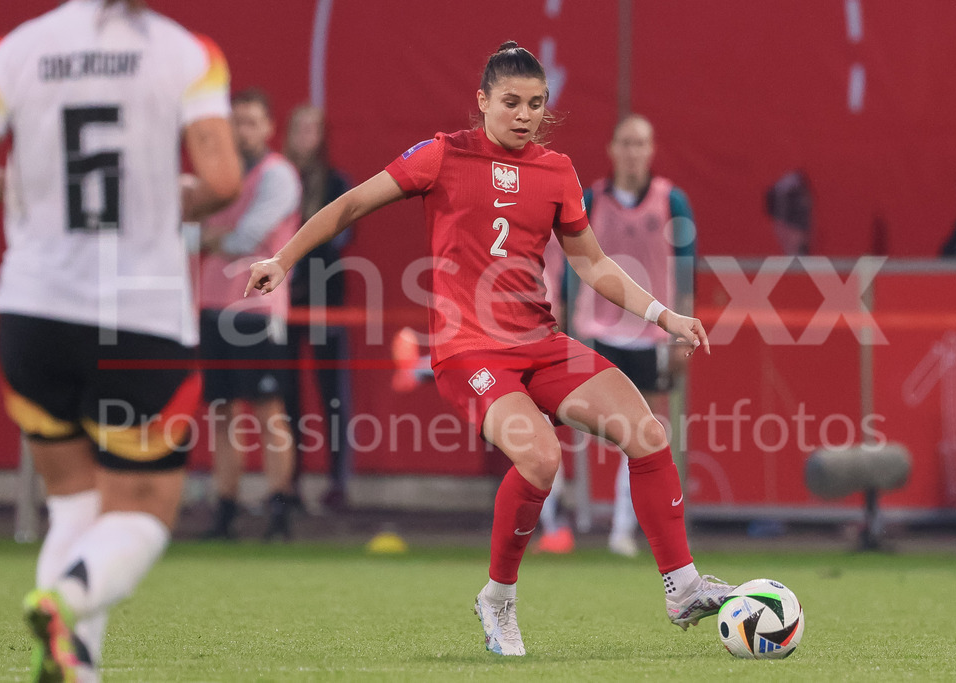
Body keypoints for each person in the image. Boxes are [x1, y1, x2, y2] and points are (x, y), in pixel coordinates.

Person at [245, 42, 732, 657]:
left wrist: (664, 315)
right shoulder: (442, 154)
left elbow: (594, 264)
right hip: (469, 350)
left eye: (535, 104)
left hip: (542, 343)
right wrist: (283, 258)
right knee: (540, 459)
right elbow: (350, 204)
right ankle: (498, 598)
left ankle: (683, 587)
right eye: (510, 102)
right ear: (482, 102)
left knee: (648, 434)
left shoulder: (557, 170)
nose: (524, 114)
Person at [0, 0, 242, 679]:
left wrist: (17, 187)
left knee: (75, 503)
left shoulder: (14, 51)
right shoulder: (186, 52)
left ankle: (75, 666)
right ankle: (66, 600)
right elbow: (221, 179)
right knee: (147, 509)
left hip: (31, 312)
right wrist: (168, 199)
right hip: (139, 318)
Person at [536, 114, 698, 558]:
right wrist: (562, 316)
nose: (633, 152)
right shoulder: (591, 198)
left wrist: (682, 330)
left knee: (643, 434)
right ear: (611, 149)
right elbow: (576, 261)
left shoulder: (671, 201)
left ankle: (623, 530)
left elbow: (686, 270)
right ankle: (561, 517)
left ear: (651, 149)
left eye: (640, 143)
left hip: (648, 337)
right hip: (597, 332)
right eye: (625, 143)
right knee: (558, 421)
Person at [198, 88, 302, 541]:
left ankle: (279, 506)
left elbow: (247, 237)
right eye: (235, 121)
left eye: (251, 122)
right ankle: (226, 507)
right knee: (221, 410)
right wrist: (210, 235)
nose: (242, 131)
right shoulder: (214, 176)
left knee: (267, 408)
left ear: (268, 127)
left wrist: (205, 234)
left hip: (258, 306)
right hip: (211, 302)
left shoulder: (278, 175)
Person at [282, 104, 355, 511]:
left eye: (312, 130)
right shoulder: (278, 180)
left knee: (332, 396)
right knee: (285, 393)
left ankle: (337, 482)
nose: (305, 138)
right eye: (299, 129)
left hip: (326, 302)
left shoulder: (336, 183)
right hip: (285, 301)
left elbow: (346, 236)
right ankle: (289, 480)